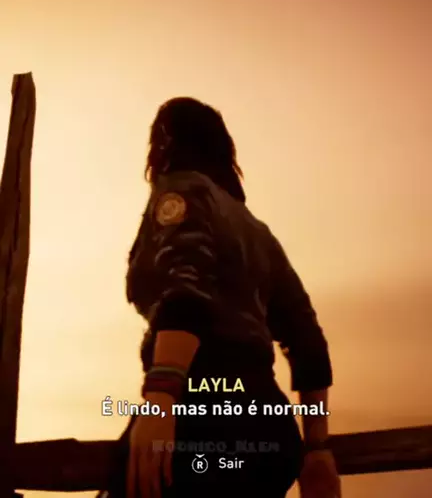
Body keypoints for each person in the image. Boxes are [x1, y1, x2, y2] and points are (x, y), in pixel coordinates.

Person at [108, 97, 341, 498]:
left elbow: (186, 294)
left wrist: (161, 402)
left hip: (204, 416)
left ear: (164, 144)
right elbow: (307, 342)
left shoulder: (180, 193)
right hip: (269, 429)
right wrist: (317, 447)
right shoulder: (257, 231)